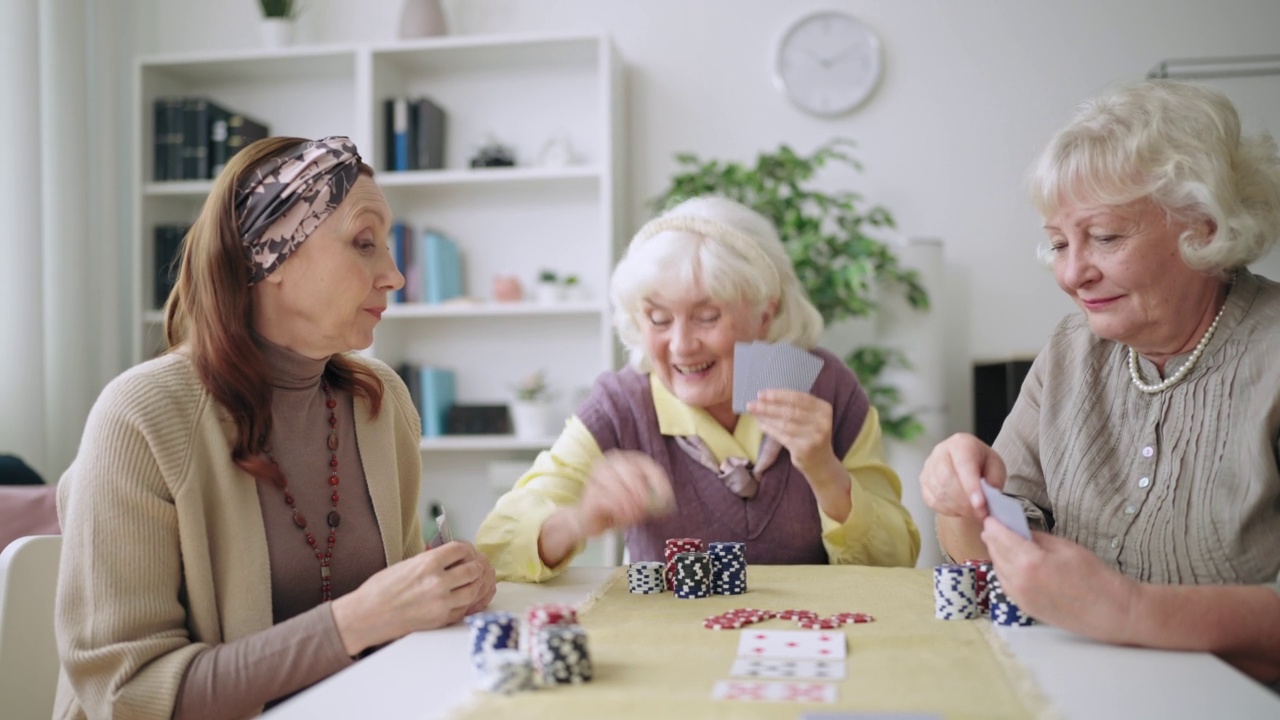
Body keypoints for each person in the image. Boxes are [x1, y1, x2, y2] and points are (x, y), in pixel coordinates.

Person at [54, 136, 497, 719]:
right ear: (273, 253)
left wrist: (442, 590)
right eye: (364, 243)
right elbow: (127, 695)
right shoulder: (140, 416)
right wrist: (359, 619)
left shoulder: (381, 402)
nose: (393, 275)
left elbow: (396, 628)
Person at [919, 80, 1280, 686]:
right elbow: (995, 556)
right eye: (1059, 243)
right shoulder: (1070, 351)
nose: (1071, 273)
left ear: (1206, 225)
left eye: (1106, 237)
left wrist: (1128, 610)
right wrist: (960, 502)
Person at [476, 196, 920, 581]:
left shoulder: (825, 387)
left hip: (807, 648)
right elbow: (496, 546)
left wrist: (826, 473)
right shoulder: (622, 406)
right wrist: (577, 520)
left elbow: (896, 564)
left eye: (708, 317)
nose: (682, 345)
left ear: (767, 313)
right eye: (659, 319)